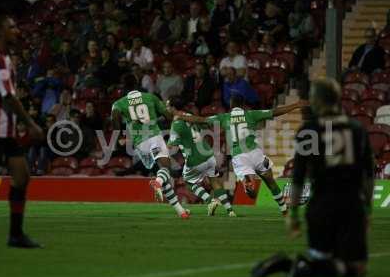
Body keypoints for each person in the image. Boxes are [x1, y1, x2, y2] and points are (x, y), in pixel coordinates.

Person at [251, 78, 374, 277]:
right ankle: (299, 266)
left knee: (322, 260)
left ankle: (290, 264)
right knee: (356, 270)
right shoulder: (357, 128)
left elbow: (298, 175)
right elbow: (368, 174)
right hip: (352, 205)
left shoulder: (308, 131)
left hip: (321, 206)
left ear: (317, 101)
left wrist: (294, 214)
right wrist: (367, 209)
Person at [177, 94, 308, 215]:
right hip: (255, 153)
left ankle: (248, 183)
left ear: (230, 105)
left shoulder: (224, 117)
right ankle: (284, 209)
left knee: (250, 187)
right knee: (270, 182)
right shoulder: (251, 114)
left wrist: (183, 117)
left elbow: (201, 119)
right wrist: (295, 105)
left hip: (240, 157)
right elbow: (274, 112)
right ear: (243, 104)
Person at [0, 15, 43, 248]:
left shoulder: (6, 58)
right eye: (11, 27)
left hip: (6, 131)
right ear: (0, 31)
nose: (17, 30)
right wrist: (30, 124)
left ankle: (15, 234)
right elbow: (8, 97)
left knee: (21, 176)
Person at [111, 74, 190, 219]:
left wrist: (120, 137)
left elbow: (115, 120)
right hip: (153, 136)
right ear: (137, 84)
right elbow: (167, 115)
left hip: (140, 144)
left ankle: (181, 211)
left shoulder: (118, 103)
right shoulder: (150, 97)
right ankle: (157, 183)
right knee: (166, 170)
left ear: (123, 88)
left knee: (161, 173)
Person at [168, 96, 236, 217]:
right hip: (208, 155)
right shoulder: (190, 116)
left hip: (195, 159)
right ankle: (230, 210)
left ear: (173, 108)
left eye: (168, 105)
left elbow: (171, 146)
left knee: (189, 182)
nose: (166, 108)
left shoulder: (177, 123)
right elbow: (205, 126)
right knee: (214, 181)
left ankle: (210, 201)